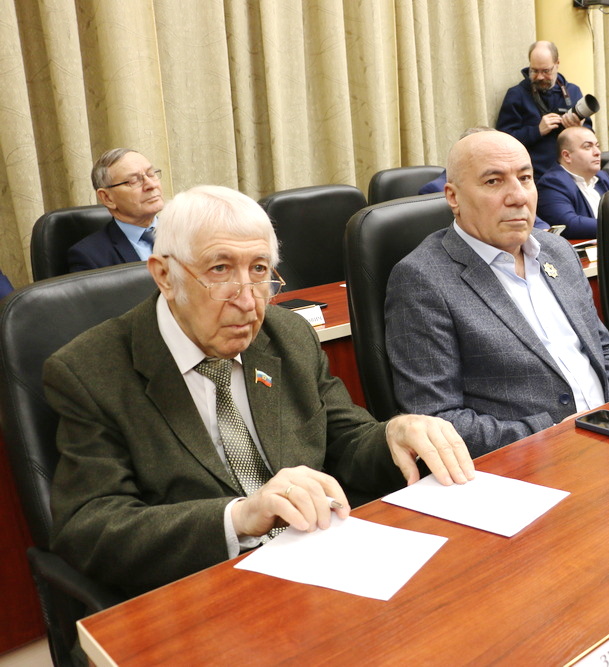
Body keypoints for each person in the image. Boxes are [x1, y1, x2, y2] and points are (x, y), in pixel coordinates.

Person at [45, 185, 475, 596]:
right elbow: (89, 528)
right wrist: (240, 516)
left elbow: (344, 439)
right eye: (219, 270)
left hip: (324, 563)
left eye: (259, 270)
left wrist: (394, 435)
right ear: (164, 275)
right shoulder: (90, 371)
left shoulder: (287, 334)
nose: (249, 302)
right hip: (201, 590)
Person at [385, 131, 609, 457]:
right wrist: (555, 435)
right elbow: (436, 419)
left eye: (525, 178)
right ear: (453, 197)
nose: (518, 196)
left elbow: (603, 350)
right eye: (493, 181)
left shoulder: (558, 251)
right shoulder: (422, 280)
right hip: (532, 461)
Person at [496, 41, 591, 178]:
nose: (540, 77)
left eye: (546, 71)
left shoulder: (573, 91)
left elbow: (590, 135)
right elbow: (503, 141)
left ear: (557, 64)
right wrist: (537, 131)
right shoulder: (517, 95)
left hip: (572, 174)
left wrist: (578, 129)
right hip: (535, 177)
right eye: (534, 71)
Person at [68, 149, 165, 273]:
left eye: (151, 174)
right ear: (107, 198)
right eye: (134, 181)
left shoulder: (185, 233)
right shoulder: (89, 257)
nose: (151, 185)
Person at [535, 126, 609, 237]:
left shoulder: (602, 177)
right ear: (567, 156)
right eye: (588, 147)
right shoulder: (552, 183)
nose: (597, 152)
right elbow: (569, 224)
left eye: (597, 146)